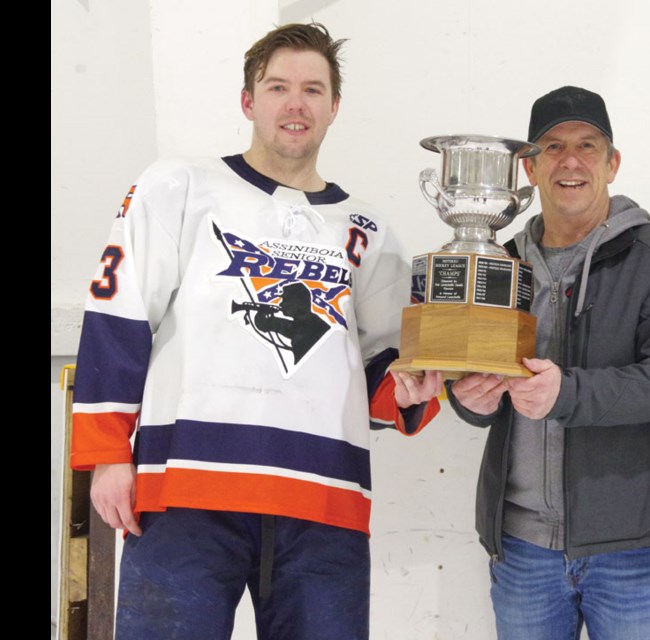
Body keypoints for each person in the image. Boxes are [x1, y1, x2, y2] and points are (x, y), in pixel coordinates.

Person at [70, 22, 443, 640]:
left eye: (313, 90)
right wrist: (109, 454)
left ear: (334, 108)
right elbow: (118, 311)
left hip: (323, 502)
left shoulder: (368, 231)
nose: (295, 103)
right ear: (249, 101)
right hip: (188, 489)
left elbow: (384, 357)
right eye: (278, 87)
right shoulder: (178, 187)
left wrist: (403, 390)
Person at [447, 86, 650, 640]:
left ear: (612, 164)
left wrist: (568, 393)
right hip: (520, 548)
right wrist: (467, 399)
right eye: (552, 146)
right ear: (528, 167)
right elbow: (476, 374)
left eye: (588, 146)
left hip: (630, 549)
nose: (570, 161)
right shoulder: (501, 261)